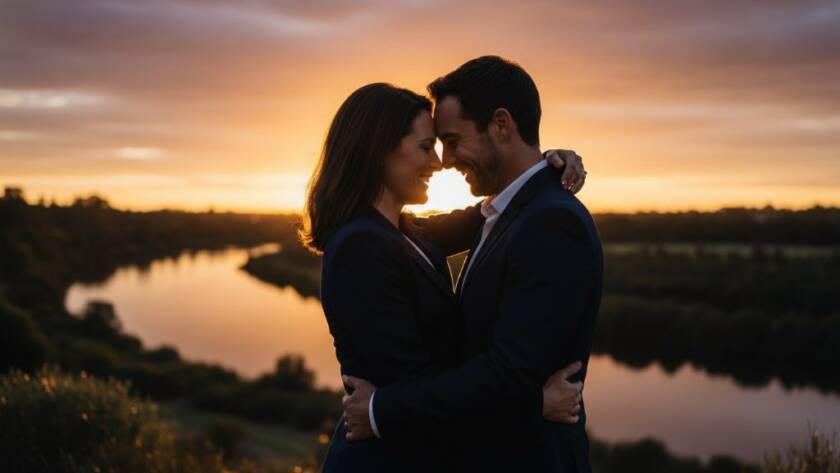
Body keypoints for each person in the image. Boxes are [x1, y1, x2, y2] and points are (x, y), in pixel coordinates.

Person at [301, 81, 588, 473]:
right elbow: (411, 383)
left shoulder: (406, 233)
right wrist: (532, 405)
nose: (438, 163)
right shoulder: (359, 248)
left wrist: (546, 167)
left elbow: (498, 212)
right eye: (425, 147)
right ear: (378, 151)